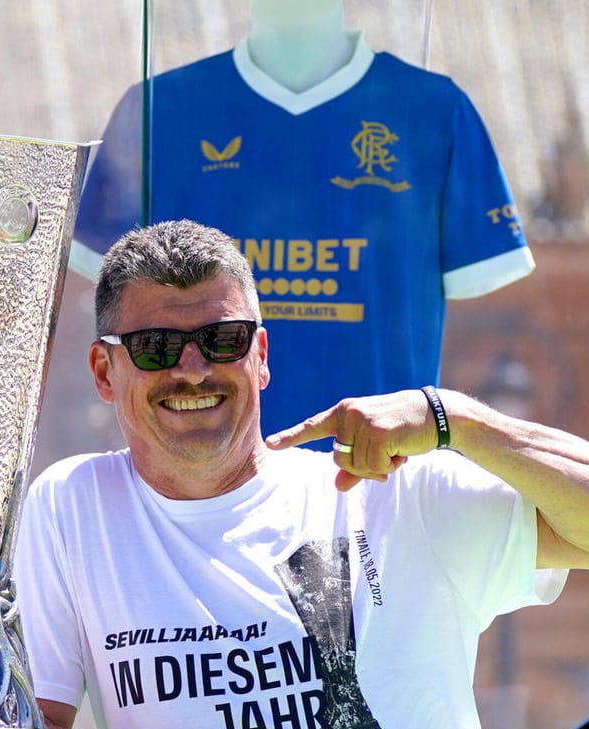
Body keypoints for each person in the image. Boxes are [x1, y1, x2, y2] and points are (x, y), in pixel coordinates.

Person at [14, 219, 589, 729]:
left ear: (259, 356)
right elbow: (28, 727)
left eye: (223, 339)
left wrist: (452, 420)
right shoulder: (73, 507)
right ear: (102, 372)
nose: (192, 367)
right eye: (156, 347)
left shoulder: (391, 492)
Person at [71, 0, 534, 443]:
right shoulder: (157, 111)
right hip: (200, 477)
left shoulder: (436, 111)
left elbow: (493, 297)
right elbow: (107, 295)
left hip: (372, 475)